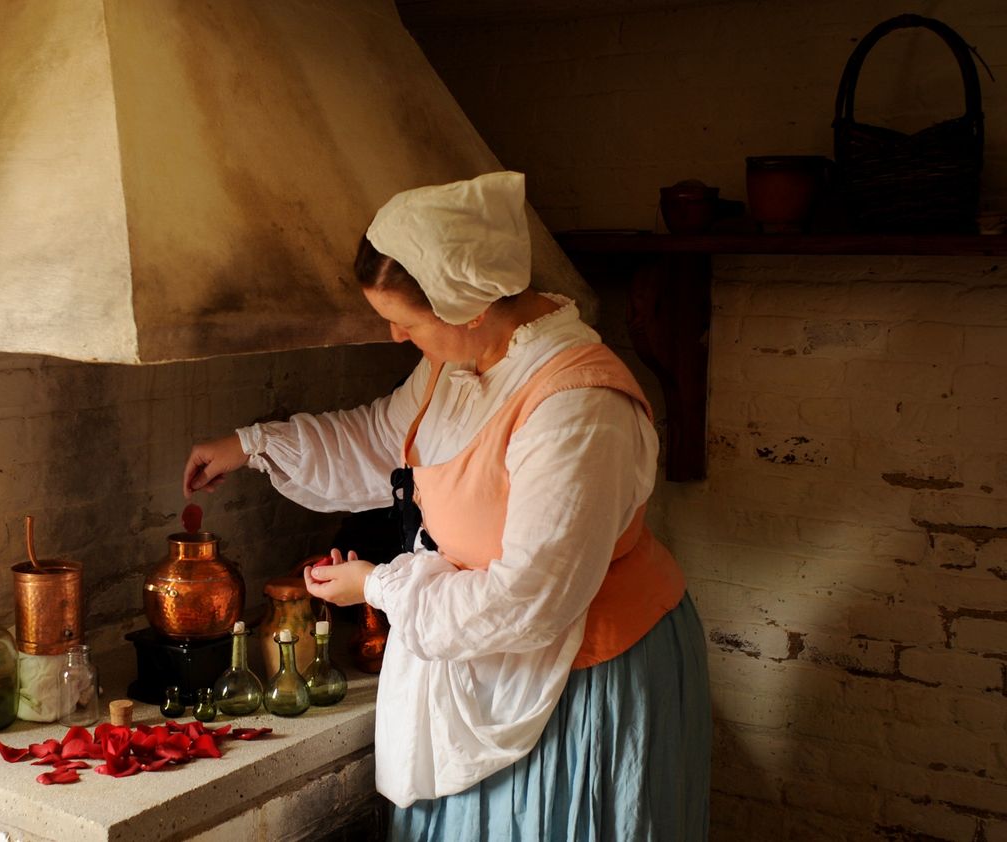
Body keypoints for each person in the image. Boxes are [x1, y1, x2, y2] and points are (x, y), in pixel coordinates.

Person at [182, 171, 711, 841]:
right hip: (484, 652)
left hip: (580, 676)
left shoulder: (577, 409)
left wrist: (379, 584)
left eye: (406, 322)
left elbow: (528, 599)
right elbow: (383, 440)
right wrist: (251, 446)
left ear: (467, 305)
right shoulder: (456, 364)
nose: (399, 339)